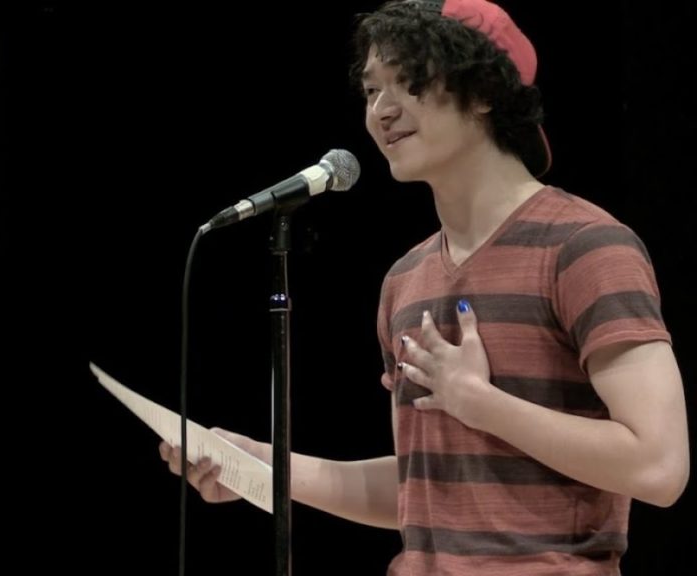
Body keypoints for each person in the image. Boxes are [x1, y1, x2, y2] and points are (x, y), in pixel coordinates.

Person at [158, 0, 690, 573]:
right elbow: (423, 490)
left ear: (484, 91)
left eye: (409, 82)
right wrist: (263, 467)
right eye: (370, 91)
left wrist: (483, 405)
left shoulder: (584, 246)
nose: (383, 112)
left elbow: (658, 468)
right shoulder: (406, 279)